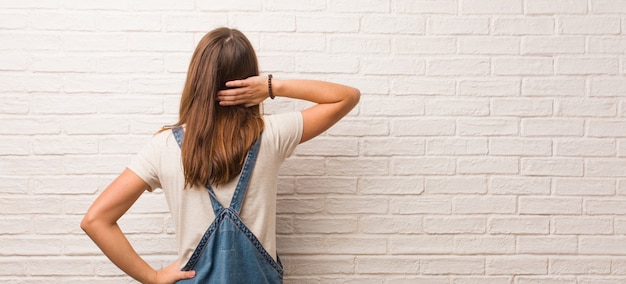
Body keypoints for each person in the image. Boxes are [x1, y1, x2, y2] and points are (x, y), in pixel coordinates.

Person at [80, 27, 360, 283]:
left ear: (197, 78)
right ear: (249, 79)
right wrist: (273, 86)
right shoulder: (272, 134)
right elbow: (346, 97)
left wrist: (152, 277)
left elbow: (95, 220)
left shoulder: (163, 146)